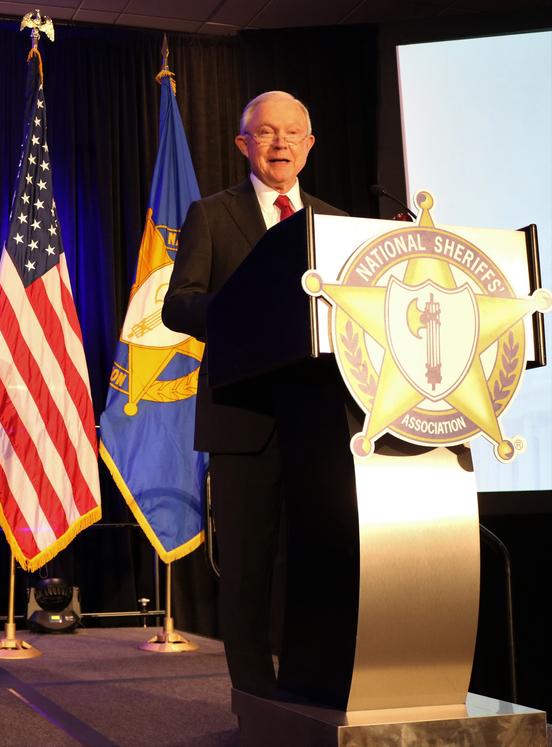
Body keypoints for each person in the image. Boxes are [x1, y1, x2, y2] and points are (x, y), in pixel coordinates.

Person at [161, 91, 346, 697]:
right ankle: (255, 701)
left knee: (314, 560)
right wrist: (248, 311)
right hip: (241, 418)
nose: (280, 143)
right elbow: (179, 302)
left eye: (293, 133)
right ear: (244, 145)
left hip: (320, 424)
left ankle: (307, 685)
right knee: (245, 568)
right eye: (266, 133)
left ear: (310, 146)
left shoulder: (335, 224)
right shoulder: (212, 215)